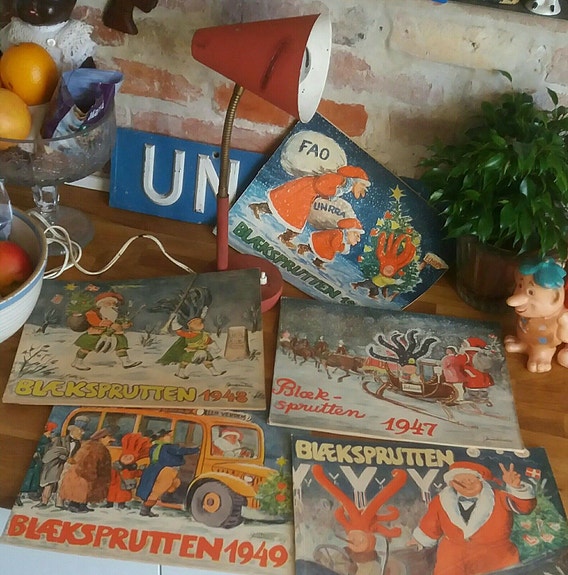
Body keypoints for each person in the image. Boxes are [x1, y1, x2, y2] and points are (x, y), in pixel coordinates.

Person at [408, 461, 536, 575]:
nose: (468, 483)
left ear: (481, 481)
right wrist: (418, 541)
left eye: (472, 480)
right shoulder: (441, 501)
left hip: (496, 558)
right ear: (452, 483)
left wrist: (516, 488)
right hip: (453, 560)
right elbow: (430, 526)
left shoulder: (499, 498)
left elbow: (525, 507)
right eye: (462, 481)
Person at [249, 165, 370, 250]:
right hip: (305, 191)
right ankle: (284, 236)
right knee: (292, 212)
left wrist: (331, 194)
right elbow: (320, 185)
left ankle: (262, 212)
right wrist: (332, 193)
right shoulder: (340, 179)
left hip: (308, 193)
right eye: (363, 185)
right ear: (355, 180)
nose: (364, 190)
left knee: (288, 209)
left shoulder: (343, 183)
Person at [0, 0, 96, 71]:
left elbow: (88, 77)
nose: (33, 2)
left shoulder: (74, 37)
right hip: (12, 90)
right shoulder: (14, 30)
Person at [136, 429, 200, 517]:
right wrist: (197, 449)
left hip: (153, 469)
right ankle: (145, 510)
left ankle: (154, 504)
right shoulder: (168, 447)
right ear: (162, 438)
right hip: (165, 470)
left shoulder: (154, 447)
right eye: (168, 436)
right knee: (157, 490)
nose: (170, 437)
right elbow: (181, 451)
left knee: (172, 484)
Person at [71, 291, 141, 371]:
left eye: (113, 303)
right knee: (86, 346)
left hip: (112, 333)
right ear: (101, 303)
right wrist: (103, 323)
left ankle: (126, 361)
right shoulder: (94, 312)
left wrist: (124, 325)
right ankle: (78, 362)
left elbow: (120, 322)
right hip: (96, 332)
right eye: (108, 303)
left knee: (121, 343)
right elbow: (92, 319)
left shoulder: (116, 313)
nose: (111, 305)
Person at [58, 428, 114, 513]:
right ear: (101, 438)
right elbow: (86, 462)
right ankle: (74, 505)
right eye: (109, 438)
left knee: (87, 491)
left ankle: (83, 505)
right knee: (80, 490)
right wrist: (90, 474)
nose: (111, 441)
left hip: (88, 474)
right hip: (82, 474)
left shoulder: (99, 447)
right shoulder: (93, 447)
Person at [157, 315, 226, 378]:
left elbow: (179, 332)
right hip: (197, 351)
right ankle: (180, 373)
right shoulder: (202, 335)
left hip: (197, 351)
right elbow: (211, 342)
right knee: (189, 362)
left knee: (201, 362)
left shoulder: (194, 334)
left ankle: (213, 372)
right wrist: (217, 349)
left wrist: (174, 323)